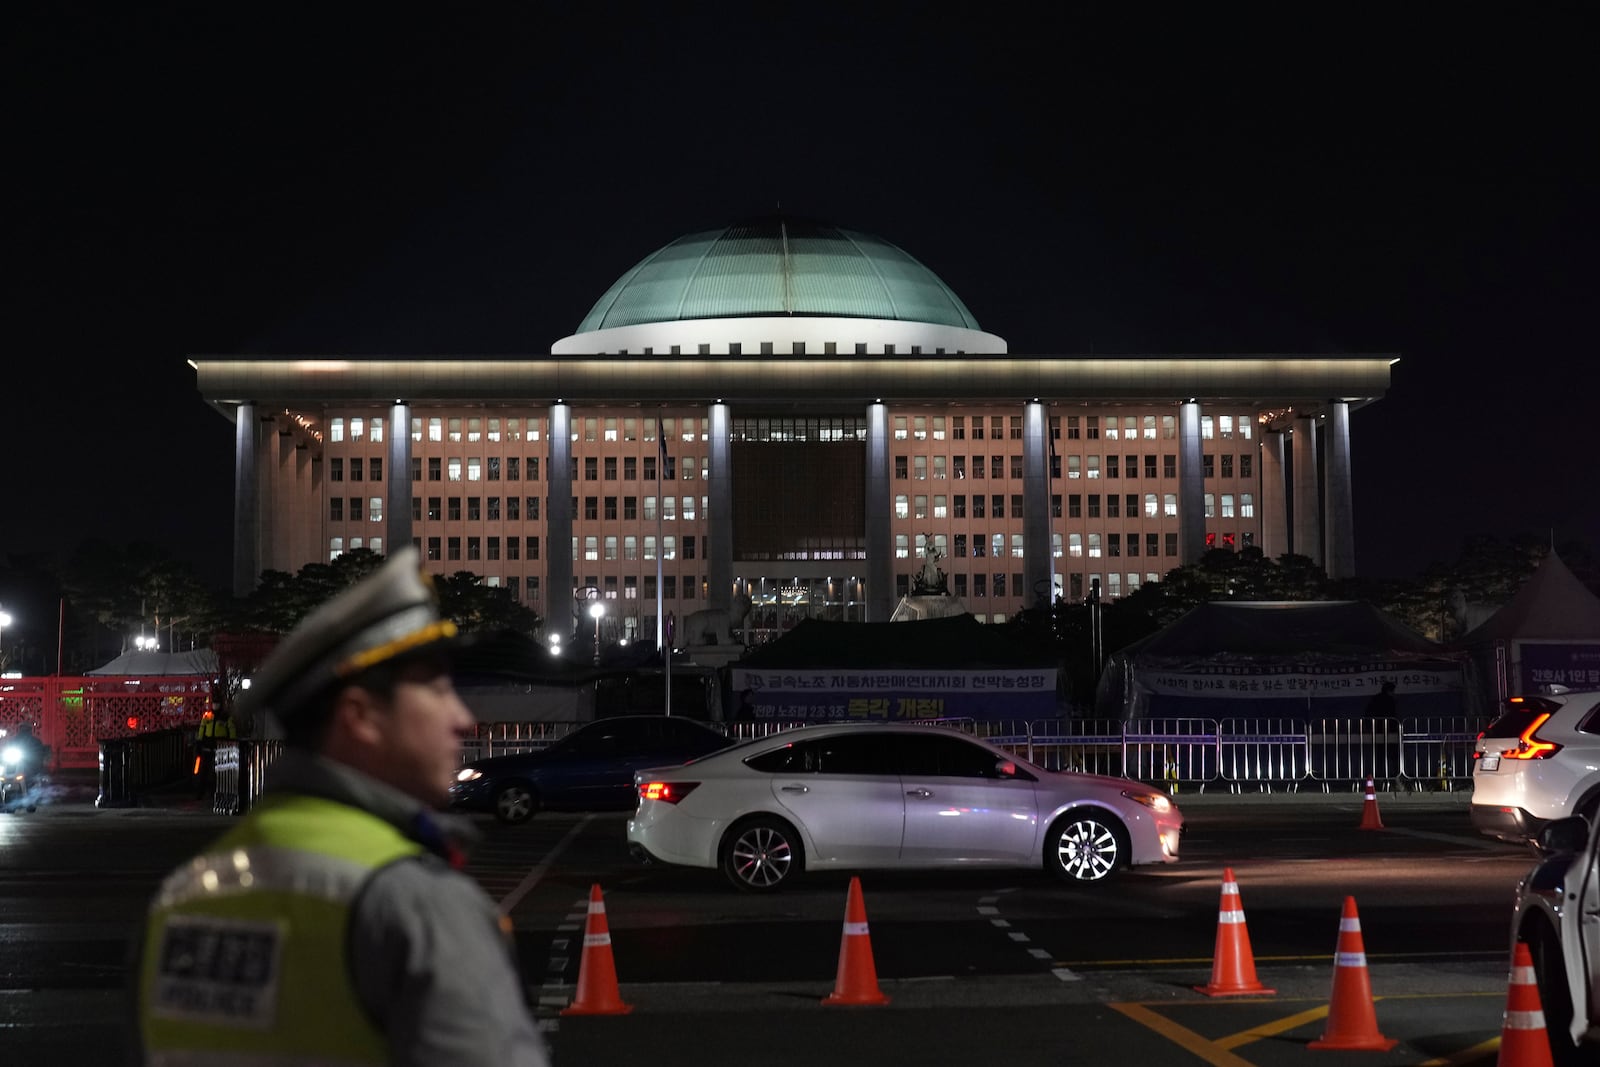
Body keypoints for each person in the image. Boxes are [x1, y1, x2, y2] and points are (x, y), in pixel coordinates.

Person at [134, 547, 551, 1066]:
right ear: (360, 715)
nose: (463, 720)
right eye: (439, 690)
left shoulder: (182, 897)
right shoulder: (415, 903)